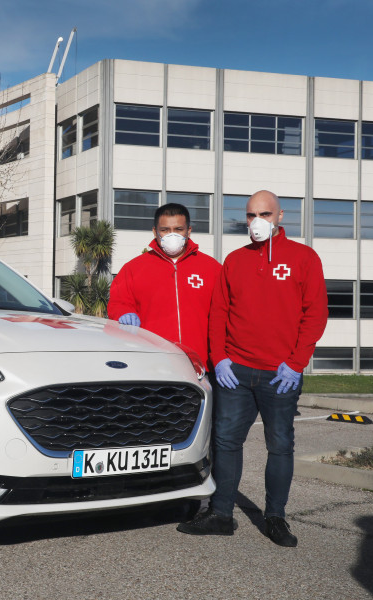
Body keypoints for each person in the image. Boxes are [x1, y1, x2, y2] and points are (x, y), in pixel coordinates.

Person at [177, 190, 328, 547]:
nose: (256, 221)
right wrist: (221, 358)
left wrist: (296, 363)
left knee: (280, 445)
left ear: (279, 217)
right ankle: (221, 514)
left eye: (264, 213)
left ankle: (275, 517)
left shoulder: (304, 258)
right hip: (236, 371)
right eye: (250, 215)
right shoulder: (235, 260)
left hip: (281, 374)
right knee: (227, 442)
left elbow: (315, 314)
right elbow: (219, 312)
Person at [108, 203, 221, 366]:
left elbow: (225, 311)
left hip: (201, 362)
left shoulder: (211, 268)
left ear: (188, 231)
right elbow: (118, 302)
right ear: (155, 232)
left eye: (178, 229)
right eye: (165, 230)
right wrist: (123, 313)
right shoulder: (134, 268)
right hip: (152, 360)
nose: (172, 235)